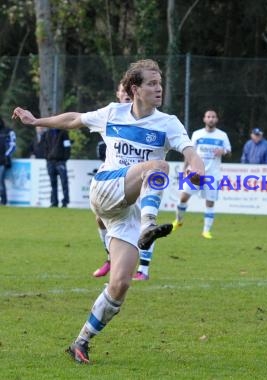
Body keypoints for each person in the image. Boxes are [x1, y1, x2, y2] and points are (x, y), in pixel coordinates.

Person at [12, 58, 205, 364]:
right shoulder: (113, 113)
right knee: (158, 166)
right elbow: (75, 119)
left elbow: (191, 152)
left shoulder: (168, 123)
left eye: (160, 83)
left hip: (125, 211)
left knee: (121, 282)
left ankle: (81, 341)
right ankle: (149, 226)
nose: (159, 89)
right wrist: (37, 122)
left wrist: (197, 168)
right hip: (105, 188)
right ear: (134, 89)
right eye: (151, 84)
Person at [92, 82, 134, 279]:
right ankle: (110, 258)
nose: (126, 92)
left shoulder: (151, 118)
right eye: (122, 89)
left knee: (141, 222)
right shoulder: (109, 114)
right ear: (117, 93)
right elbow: (76, 119)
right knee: (100, 218)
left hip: (138, 180)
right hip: (112, 182)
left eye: (129, 89)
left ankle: (143, 268)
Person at [173, 109, 231, 239]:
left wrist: (224, 151)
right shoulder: (197, 134)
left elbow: (229, 151)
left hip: (212, 175)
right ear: (204, 119)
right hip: (194, 173)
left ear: (216, 119)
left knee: (210, 203)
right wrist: (184, 169)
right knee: (182, 198)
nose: (211, 119)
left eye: (213, 117)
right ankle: (178, 221)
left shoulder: (222, 136)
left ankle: (206, 231)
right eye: (208, 116)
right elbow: (190, 153)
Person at [44, 128, 71, 207]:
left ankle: (65, 202)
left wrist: (64, 159)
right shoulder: (48, 133)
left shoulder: (64, 133)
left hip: (60, 161)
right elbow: (45, 146)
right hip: (50, 161)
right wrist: (47, 157)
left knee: (64, 182)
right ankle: (54, 202)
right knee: (53, 183)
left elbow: (67, 146)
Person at [0, 117, 17, 205]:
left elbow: (13, 145)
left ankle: (3, 201)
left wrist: (6, 155)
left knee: (0, 181)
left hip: (3, 161)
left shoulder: (8, 131)